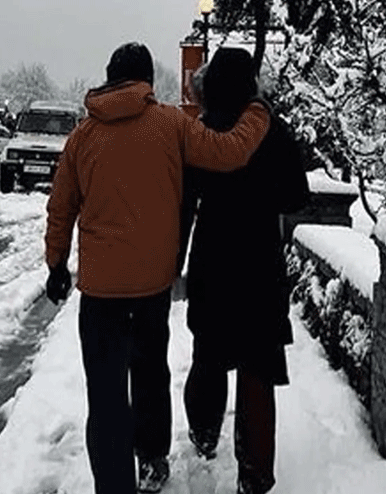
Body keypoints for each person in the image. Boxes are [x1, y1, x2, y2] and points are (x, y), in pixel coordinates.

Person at [44, 42, 271, 494]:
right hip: (150, 286)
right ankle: (151, 460)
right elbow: (228, 152)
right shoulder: (172, 125)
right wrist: (257, 113)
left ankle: (114, 484)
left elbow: (60, 207)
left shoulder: (83, 136)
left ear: (110, 76)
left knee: (106, 397)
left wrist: (56, 264)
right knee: (150, 373)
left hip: (101, 292)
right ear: (147, 81)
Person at [178, 48, 310, 494]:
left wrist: (174, 263)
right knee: (257, 369)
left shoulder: (202, 134)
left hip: (214, 261)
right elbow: (297, 197)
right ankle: (255, 473)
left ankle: (203, 433)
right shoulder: (276, 132)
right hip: (259, 264)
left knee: (209, 356)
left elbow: (184, 203)